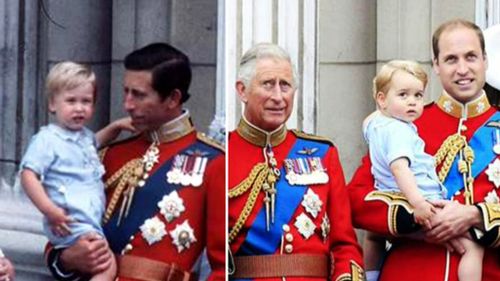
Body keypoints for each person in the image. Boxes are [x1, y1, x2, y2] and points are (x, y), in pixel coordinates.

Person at [44, 43, 225, 281]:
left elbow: (225, 268)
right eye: (126, 92)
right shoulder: (109, 156)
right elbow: (59, 235)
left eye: (138, 95)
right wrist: (68, 258)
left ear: (173, 98)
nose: (127, 104)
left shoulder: (215, 163)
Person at [348, 19, 500, 281]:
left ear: (485, 60)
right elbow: (357, 200)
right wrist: (419, 221)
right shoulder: (403, 124)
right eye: (451, 59)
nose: (462, 69)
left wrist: (476, 215)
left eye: (471, 57)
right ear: (436, 66)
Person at [228, 42, 364, 280]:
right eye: (268, 84)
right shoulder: (222, 154)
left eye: (286, 85)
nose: (278, 97)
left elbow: (345, 245)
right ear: (242, 90)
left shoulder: (322, 153)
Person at [362, 60, 483, 281]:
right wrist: (418, 204)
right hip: (422, 206)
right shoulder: (401, 130)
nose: (412, 102)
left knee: (373, 238)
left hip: (403, 203)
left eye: (418, 95)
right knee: (472, 246)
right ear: (437, 64)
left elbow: (369, 122)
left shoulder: (378, 124)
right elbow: (394, 171)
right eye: (403, 95)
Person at [20, 61, 134, 281]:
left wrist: (116, 127)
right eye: (71, 101)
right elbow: (28, 174)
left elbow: (96, 143)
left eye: (86, 101)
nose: (79, 108)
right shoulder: (47, 139)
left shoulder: (84, 137)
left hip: (85, 220)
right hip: (69, 220)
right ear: (53, 104)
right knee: (106, 265)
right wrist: (50, 210)